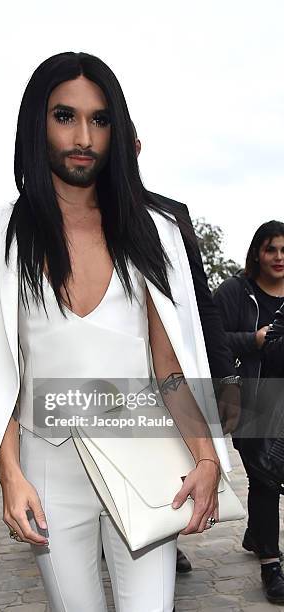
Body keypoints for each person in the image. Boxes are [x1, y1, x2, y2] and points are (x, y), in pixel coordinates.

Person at [0, 52, 230, 612]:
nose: (84, 136)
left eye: (100, 120)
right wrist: (10, 475)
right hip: (47, 463)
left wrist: (205, 458)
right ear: (37, 124)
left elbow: (169, 365)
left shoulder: (153, 230)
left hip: (145, 453)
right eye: (65, 116)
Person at [133, 123, 242, 573]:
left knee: (175, 460)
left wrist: (228, 377)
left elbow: (202, 301)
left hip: (171, 374)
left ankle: (162, 538)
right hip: (105, 383)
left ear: (135, 147)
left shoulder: (170, 217)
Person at [213, 220, 284, 604]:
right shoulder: (235, 292)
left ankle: (257, 534)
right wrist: (252, 341)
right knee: (265, 480)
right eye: (272, 249)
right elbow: (211, 337)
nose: (279, 257)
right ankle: (271, 565)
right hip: (251, 400)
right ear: (257, 251)